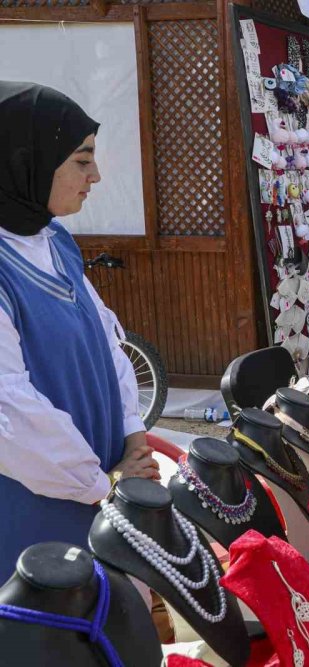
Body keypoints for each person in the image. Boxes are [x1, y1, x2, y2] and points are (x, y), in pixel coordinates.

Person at [0, 82, 159, 580]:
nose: (96, 175)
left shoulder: (55, 241)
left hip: (103, 489)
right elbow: (10, 411)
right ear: (27, 159)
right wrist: (100, 481)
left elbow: (108, 343)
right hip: (39, 507)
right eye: (81, 160)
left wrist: (133, 435)